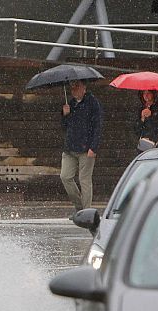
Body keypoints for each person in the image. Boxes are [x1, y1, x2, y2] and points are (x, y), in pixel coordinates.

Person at [60, 79, 102, 214]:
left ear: (84, 88)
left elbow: (98, 126)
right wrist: (65, 115)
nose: (73, 90)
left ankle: (87, 212)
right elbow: (65, 126)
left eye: (76, 87)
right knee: (65, 177)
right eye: (72, 88)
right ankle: (79, 208)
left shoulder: (92, 103)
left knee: (84, 180)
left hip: (86, 148)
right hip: (70, 148)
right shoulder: (71, 104)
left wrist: (93, 147)